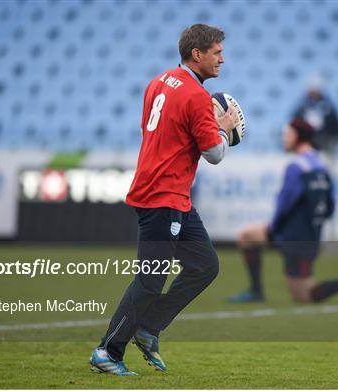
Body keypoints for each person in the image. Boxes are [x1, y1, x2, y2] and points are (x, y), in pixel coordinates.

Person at [90, 24, 239, 376]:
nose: (222, 58)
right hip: (163, 196)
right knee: (151, 279)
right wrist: (225, 127)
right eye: (216, 52)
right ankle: (107, 352)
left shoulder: (158, 81)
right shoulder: (197, 96)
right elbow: (215, 154)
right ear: (197, 54)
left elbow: (156, 131)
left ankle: (149, 327)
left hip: (170, 196)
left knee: (205, 265)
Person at [228, 118, 338, 305]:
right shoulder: (321, 166)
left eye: (287, 134)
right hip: (304, 236)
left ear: (299, 137)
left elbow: (284, 205)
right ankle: (256, 292)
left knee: (304, 297)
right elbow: (331, 207)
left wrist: (276, 228)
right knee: (248, 236)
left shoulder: (296, 167)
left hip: (294, 240)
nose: (284, 139)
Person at [293, 74, 338, 152]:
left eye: (316, 90)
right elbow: (294, 126)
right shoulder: (302, 108)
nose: (314, 93)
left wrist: (330, 144)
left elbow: (337, 129)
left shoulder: (328, 108)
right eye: (312, 90)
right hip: (305, 148)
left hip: (324, 148)